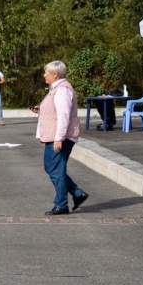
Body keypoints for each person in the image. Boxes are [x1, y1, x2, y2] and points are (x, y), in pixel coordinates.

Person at [29, 61, 89, 215]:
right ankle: (77, 194)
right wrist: (41, 109)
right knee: (52, 167)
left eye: (46, 73)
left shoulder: (62, 90)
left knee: (55, 168)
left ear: (55, 75)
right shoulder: (55, 88)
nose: (44, 75)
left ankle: (61, 204)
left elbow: (63, 116)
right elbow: (56, 110)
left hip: (61, 136)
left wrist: (59, 138)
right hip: (54, 135)